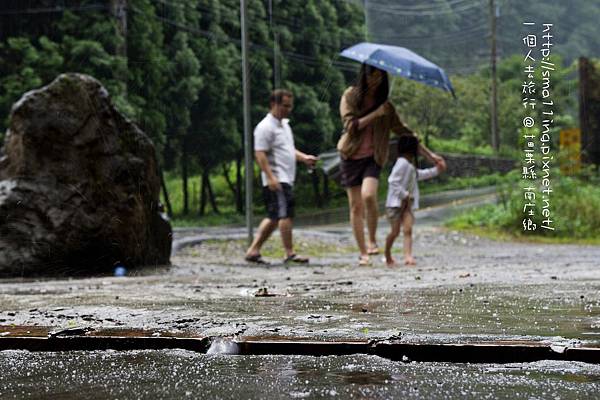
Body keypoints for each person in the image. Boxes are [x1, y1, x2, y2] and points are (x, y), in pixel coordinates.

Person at [338, 63, 443, 265]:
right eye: (372, 76)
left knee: (369, 195)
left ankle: (371, 240)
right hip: (350, 155)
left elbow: (404, 131)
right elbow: (350, 127)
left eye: (379, 77)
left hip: (373, 157)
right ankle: (363, 253)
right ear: (364, 76)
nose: (375, 81)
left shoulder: (386, 105)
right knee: (355, 206)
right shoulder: (350, 96)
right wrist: (375, 114)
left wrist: (431, 156)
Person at [245, 89, 318, 265]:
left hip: (286, 177)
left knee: (275, 215)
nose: (288, 109)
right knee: (285, 214)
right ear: (273, 104)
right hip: (277, 178)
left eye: (290, 106)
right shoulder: (265, 127)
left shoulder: (284, 125)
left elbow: (288, 150)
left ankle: (253, 250)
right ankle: (289, 253)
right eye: (285, 105)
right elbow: (260, 154)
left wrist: (304, 158)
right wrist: (270, 177)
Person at [384, 135, 446, 266]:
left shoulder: (409, 165)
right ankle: (387, 254)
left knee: (408, 229)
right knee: (395, 232)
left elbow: (419, 175)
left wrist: (436, 170)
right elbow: (392, 181)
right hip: (395, 204)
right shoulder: (402, 163)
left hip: (407, 205)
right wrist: (405, 194)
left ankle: (408, 256)